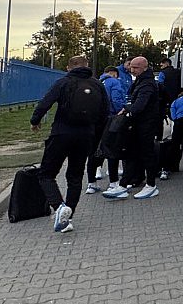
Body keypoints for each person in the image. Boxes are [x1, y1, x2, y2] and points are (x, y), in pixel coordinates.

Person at [30, 55, 110, 233]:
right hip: (86, 136)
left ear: (69, 67)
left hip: (61, 133)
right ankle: (69, 216)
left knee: (46, 174)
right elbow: (105, 112)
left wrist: (35, 120)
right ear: (87, 66)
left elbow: (46, 102)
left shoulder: (63, 82)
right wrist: (95, 135)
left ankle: (59, 207)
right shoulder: (98, 85)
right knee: (75, 176)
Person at [103, 57, 163, 200]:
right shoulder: (141, 81)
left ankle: (150, 185)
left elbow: (140, 105)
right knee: (134, 154)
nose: (132, 69)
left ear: (144, 67)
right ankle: (124, 185)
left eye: (136, 67)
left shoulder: (147, 84)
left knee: (146, 154)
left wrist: (126, 108)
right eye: (131, 67)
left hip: (146, 125)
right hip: (140, 124)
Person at [87, 66, 127, 194]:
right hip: (110, 120)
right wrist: (121, 111)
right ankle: (113, 182)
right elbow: (116, 99)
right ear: (113, 73)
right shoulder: (114, 82)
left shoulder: (95, 83)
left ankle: (91, 183)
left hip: (95, 121)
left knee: (93, 151)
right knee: (111, 150)